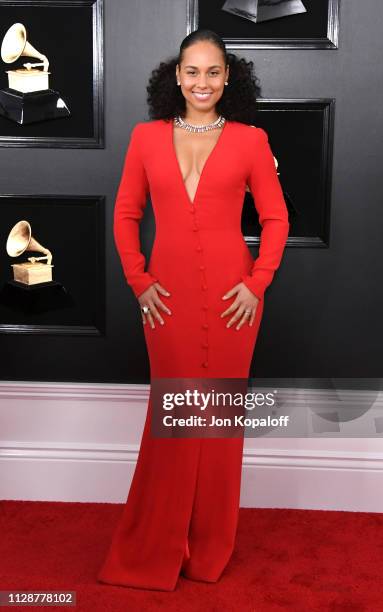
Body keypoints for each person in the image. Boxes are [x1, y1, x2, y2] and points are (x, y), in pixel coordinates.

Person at [97, 28, 289, 592]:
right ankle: (159, 543)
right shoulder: (145, 138)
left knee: (219, 423)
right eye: (191, 71)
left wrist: (257, 283)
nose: (201, 82)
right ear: (175, 77)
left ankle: (208, 549)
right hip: (168, 300)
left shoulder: (252, 140)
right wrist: (139, 281)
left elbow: (277, 220)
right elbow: (126, 214)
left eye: (212, 72)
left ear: (228, 78)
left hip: (235, 303)